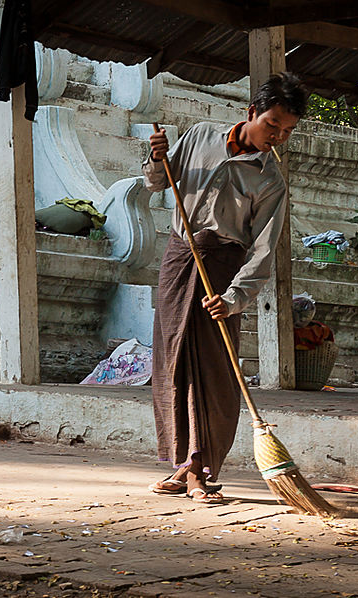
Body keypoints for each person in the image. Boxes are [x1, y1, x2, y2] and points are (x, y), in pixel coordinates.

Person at [143, 72, 309, 504]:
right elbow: (159, 182)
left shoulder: (271, 181)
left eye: (287, 131)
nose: (277, 136)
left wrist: (235, 298)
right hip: (179, 260)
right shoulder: (199, 136)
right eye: (272, 124)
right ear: (252, 112)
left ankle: (202, 468)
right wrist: (157, 157)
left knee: (213, 372)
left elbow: (263, 251)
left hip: (220, 270)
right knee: (172, 362)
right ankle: (182, 465)